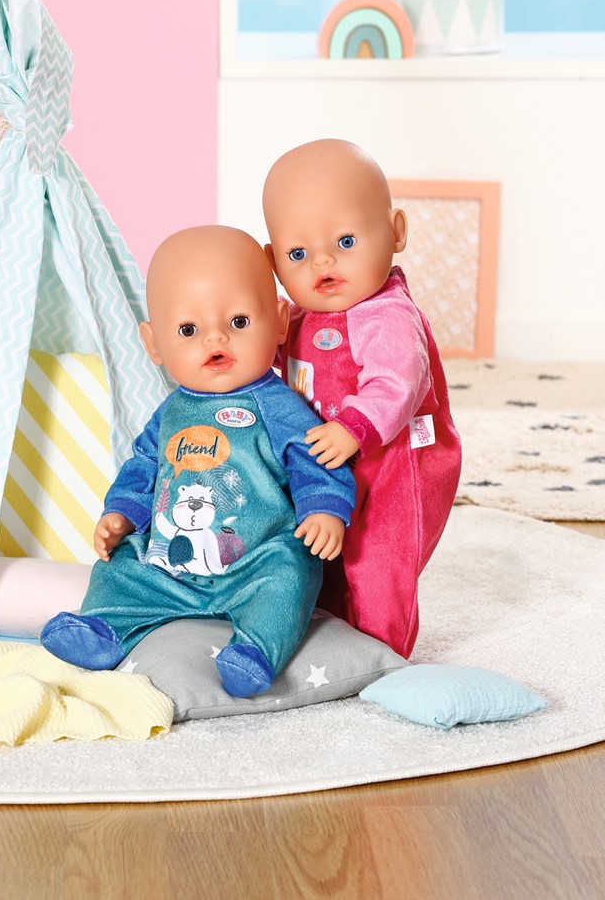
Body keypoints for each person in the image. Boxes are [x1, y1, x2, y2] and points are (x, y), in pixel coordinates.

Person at [41, 225, 356, 697]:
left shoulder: (276, 406)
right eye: (188, 330)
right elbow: (144, 465)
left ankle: (255, 651)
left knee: (294, 569)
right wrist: (121, 513)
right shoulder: (171, 412)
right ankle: (103, 630)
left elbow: (315, 456)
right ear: (154, 344)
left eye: (239, 321)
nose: (216, 337)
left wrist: (325, 508)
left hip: (254, 563)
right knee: (118, 564)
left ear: (279, 322)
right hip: (170, 565)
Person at [263, 139, 462, 658]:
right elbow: (264, 356)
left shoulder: (387, 315)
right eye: (298, 254)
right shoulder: (297, 317)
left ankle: (380, 651)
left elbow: (398, 382)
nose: (323, 261)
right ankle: (330, 633)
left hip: (393, 464)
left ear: (395, 232)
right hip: (326, 466)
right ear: (273, 262)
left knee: (378, 559)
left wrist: (354, 428)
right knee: (319, 551)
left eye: (346, 240)